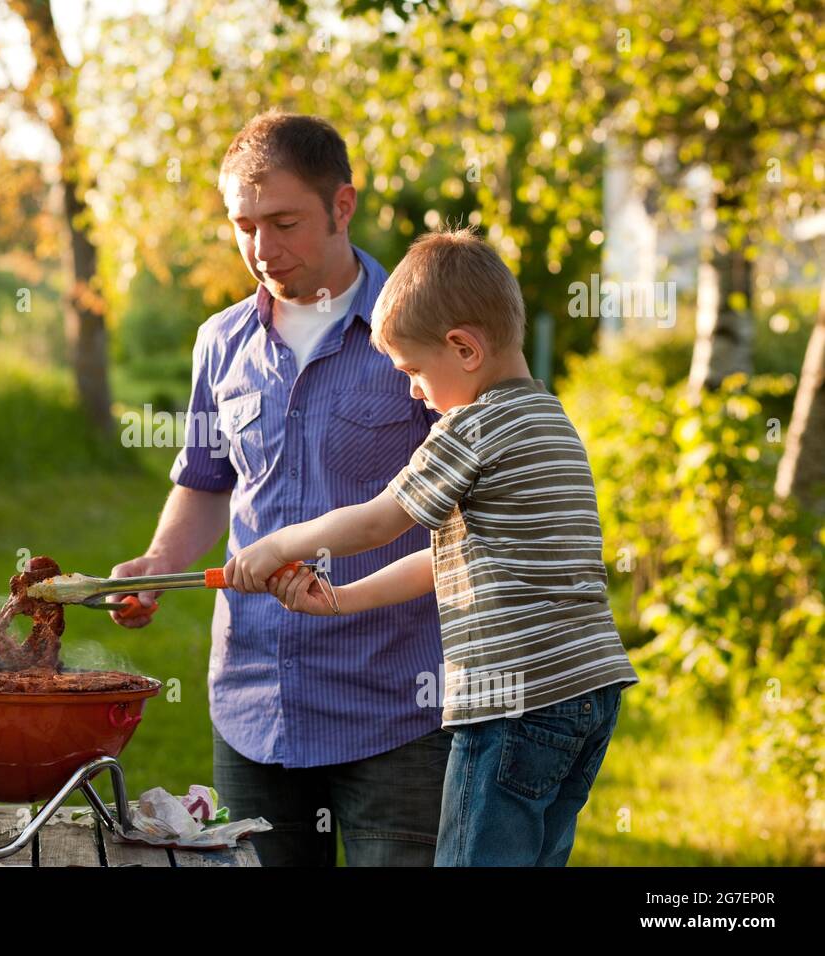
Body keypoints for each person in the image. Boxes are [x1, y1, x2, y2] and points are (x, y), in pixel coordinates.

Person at [226, 227, 640, 866]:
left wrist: (275, 542)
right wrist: (340, 600)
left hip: (512, 701)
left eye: (414, 371)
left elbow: (376, 522)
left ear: (464, 348)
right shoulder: (548, 418)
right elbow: (446, 558)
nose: (414, 391)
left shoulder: (470, 428)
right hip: (586, 695)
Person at [109, 110, 451, 866]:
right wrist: (157, 562)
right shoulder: (219, 342)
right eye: (244, 225)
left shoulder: (423, 333)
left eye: (284, 221)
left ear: (342, 206)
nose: (263, 249)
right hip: (255, 708)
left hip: (396, 709)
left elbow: (464, 514)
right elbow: (207, 481)